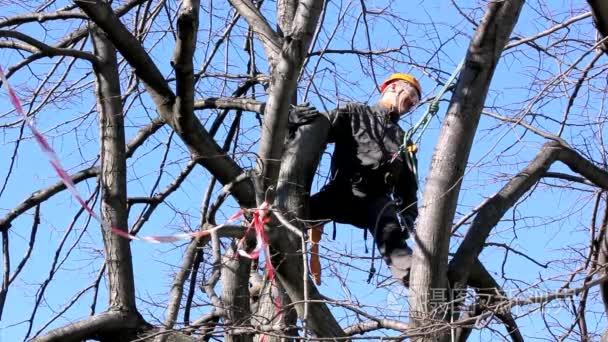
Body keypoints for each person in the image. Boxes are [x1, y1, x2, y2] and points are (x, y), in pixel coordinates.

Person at [307, 73, 422, 287]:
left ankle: (425, 287)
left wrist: (408, 215)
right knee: (290, 215)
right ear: (394, 87)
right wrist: (300, 121)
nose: (412, 104)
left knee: (396, 248)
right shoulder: (354, 114)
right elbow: (321, 127)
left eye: (416, 102)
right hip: (342, 191)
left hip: (375, 202)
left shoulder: (404, 141)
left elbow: (408, 188)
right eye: (411, 95)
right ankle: (252, 249)